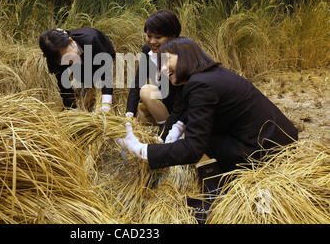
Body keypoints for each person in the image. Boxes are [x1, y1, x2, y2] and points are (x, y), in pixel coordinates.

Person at [117, 37, 298, 222]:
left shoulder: (200, 84)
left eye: (166, 61)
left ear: (184, 57)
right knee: (195, 135)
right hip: (277, 141)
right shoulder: (210, 75)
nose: (162, 70)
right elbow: (195, 114)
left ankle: (217, 196)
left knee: (194, 142)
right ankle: (220, 186)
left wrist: (141, 149)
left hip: (266, 152)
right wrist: (176, 129)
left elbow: (193, 148)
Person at [125, 9, 182, 134]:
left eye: (158, 37)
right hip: (165, 102)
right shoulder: (148, 50)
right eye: (149, 36)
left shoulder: (182, 53)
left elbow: (182, 99)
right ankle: (166, 128)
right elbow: (137, 82)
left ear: (172, 36)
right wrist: (128, 116)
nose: (152, 41)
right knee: (140, 115)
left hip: (182, 109)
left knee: (146, 92)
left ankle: (167, 133)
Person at [39, 27, 116, 112]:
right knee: (84, 80)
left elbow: (105, 73)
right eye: (64, 61)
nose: (69, 61)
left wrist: (106, 104)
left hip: (102, 51)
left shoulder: (92, 40)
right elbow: (64, 85)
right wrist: (72, 108)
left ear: (71, 41)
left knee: (96, 79)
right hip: (81, 63)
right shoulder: (54, 60)